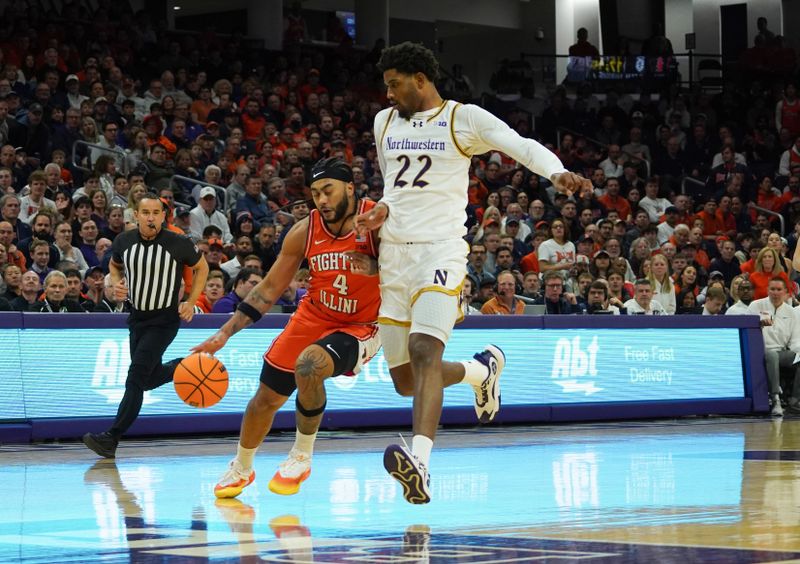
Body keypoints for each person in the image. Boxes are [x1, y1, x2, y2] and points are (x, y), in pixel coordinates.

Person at [355, 42, 592, 504]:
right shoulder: (384, 123)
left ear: (420, 79)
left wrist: (556, 172)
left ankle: (420, 463)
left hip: (440, 253)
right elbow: (395, 189)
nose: (388, 95)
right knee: (405, 380)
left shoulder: (461, 118)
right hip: (394, 258)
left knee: (425, 351)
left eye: (395, 84)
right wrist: (382, 210)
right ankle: (480, 371)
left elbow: (518, 144)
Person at [192, 158, 502, 500]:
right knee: (265, 398)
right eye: (315, 193)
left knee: (310, 365)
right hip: (314, 314)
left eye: (328, 190)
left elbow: (421, 264)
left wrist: (380, 266)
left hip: (364, 323)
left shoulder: (379, 222)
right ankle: (242, 467)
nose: (322, 200)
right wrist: (225, 332)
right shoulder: (304, 231)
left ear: (350, 189)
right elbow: (268, 289)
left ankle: (300, 456)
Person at [82, 192, 209, 458]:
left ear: (163, 217)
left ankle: (112, 437)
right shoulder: (123, 241)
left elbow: (203, 268)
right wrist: (115, 283)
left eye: (156, 213)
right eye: (146, 213)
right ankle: (181, 367)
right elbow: (115, 267)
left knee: (135, 377)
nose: (151, 217)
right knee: (147, 380)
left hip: (164, 320)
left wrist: (190, 300)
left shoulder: (179, 242)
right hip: (137, 318)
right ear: (136, 215)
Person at [748, 276, 800, 416]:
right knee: (771, 355)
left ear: (785, 292)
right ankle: (775, 399)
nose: (775, 293)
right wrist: (757, 325)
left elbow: (794, 340)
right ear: (767, 290)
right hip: (761, 351)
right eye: (772, 289)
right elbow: (748, 332)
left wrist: (797, 353)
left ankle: (795, 400)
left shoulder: (791, 312)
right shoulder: (755, 306)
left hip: (782, 352)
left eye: (779, 289)